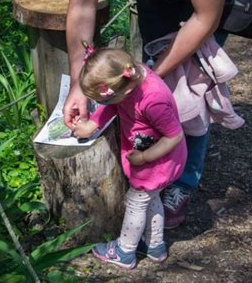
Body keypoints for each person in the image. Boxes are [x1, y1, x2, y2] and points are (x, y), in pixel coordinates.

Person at [64, 0, 251, 228]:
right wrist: (78, 84)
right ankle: (152, 159)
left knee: (188, 82)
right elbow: (83, 5)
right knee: (155, 71)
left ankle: (181, 182)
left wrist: (148, 77)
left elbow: (205, 18)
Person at [72, 44, 186, 269]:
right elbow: (112, 106)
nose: (103, 104)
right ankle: (155, 246)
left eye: (103, 99)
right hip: (151, 159)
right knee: (151, 199)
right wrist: (91, 125)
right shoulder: (127, 79)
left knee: (135, 202)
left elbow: (174, 136)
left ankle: (124, 251)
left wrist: (144, 158)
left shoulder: (153, 100)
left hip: (158, 161)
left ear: (122, 91)